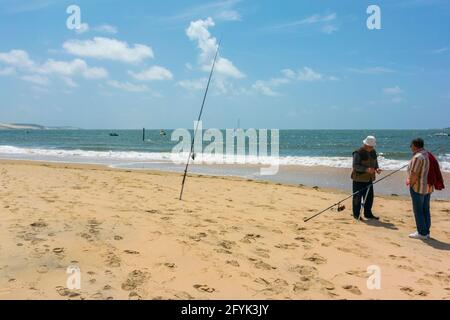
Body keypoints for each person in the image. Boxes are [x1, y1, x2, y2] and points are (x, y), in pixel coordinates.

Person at [407, 138, 434, 240]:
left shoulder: (418, 157)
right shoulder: (427, 154)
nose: (410, 147)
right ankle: (426, 231)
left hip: (418, 188)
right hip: (428, 187)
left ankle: (422, 233)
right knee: (425, 209)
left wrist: (411, 184)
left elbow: (414, 174)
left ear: (415, 145)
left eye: (411, 145)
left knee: (418, 210)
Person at [351, 136, 382, 220]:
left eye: (373, 146)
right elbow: (355, 166)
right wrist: (366, 169)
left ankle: (368, 214)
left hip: (369, 179)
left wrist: (377, 169)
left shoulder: (373, 151)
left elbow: (375, 163)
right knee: (357, 197)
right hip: (358, 179)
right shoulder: (357, 152)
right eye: (370, 146)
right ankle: (356, 214)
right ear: (365, 144)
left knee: (369, 197)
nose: (372, 148)